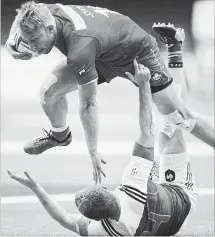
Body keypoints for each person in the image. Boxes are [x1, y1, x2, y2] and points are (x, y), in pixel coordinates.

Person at [6, 2, 214, 184]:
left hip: (136, 52)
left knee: (178, 117)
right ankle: (60, 136)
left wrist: (93, 150)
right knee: (47, 93)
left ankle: (174, 48)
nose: (32, 47)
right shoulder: (41, 13)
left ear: (50, 29)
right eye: (28, 41)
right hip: (102, 51)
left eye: (35, 40)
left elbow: (89, 104)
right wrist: (11, 45)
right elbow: (20, 23)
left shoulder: (79, 48)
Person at [8, 54, 198, 235]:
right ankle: (175, 49)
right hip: (181, 195)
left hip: (169, 221)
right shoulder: (132, 188)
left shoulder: (104, 231)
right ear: (107, 189)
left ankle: (153, 174)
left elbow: (66, 219)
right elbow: (147, 130)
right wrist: (144, 85)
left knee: (152, 165)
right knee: (172, 124)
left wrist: (35, 188)